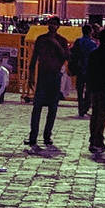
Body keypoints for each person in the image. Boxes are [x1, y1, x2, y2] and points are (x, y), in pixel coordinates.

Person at [27, 16, 68, 150]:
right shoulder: (41, 39)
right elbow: (34, 59)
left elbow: (66, 57)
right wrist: (31, 76)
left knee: (53, 108)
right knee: (37, 107)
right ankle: (33, 136)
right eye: (50, 23)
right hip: (43, 76)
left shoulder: (62, 41)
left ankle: (47, 135)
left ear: (58, 26)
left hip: (55, 77)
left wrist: (55, 44)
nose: (52, 26)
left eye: (55, 24)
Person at [85, 27, 105, 155]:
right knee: (102, 115)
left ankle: (94, 140)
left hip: (94, 87)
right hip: (103, 87)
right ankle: (97, 140)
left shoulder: (93, 53)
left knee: (95, 113)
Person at [68, 21, 98, 117]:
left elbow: (72, 53)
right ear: (90, 32)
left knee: (79, 90)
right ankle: (85, 108)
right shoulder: (93, 44)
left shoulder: (78, 41)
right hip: (89, 70)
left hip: (79, 68)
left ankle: (81, 109)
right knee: (88, 90)